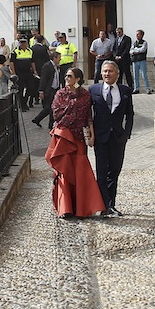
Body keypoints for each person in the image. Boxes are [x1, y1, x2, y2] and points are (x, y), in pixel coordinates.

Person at [45, 67, 106, 219]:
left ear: (78, 79)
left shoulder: (85, 95)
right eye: (66, 75)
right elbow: (56, 113)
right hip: (64, 136)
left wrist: (91, 135)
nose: (67, 78)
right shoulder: (60, 93)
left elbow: (88, 116)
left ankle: (82, 207)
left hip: (79, 137)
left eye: (70, 76)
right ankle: (65, 208)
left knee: (80, 171)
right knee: (64, 170)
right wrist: (71, 107)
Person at [89, 61, 135, 217]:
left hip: (117, 138)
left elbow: (130, 114)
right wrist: (89, 134)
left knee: (114, 171)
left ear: (117, 73)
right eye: (104, 71)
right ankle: (102, 205)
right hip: (100, 137)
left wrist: (126, 134)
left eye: (110, 71)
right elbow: (88, 114)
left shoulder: (125, 91)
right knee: (101, 172)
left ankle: (111, 204)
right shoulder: (93, 89)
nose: (107, 74)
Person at [33, 50, 62, 129]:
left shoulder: (56, 66)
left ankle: (37, 119)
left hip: (55, 89)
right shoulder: (47, 66)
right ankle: (51, 125)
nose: (60, 59)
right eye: (59, 57)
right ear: (54, 58)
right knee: (51, 108)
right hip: (49, 90)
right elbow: (43, 79)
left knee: (50, 108)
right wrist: (41, 90)